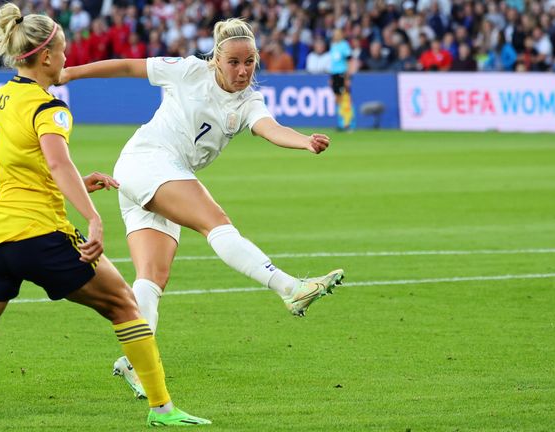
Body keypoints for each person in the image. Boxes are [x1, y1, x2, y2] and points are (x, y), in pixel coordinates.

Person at [60, 18, 345, 399]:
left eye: (249, 62)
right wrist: (69, 74)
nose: (242, 71)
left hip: (151, 176)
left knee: (152, 277)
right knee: (216, 222)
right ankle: (290, 288)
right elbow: (129, 66)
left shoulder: (249, 101)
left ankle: (134, 361)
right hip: (149, 160)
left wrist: (304, 142)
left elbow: (270, 127)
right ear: (216, 59)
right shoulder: (189, 70)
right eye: (234, 62)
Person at [0, 3, 209, 427]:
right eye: (63, 51)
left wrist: (83, 181)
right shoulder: (51, 109)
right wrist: (93, 216)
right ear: (45, 58)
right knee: (124, 305)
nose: (67, 59)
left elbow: (20, 169)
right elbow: (57, 164)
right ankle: (162, 409)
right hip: (38, 236)